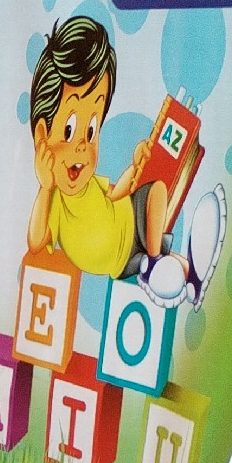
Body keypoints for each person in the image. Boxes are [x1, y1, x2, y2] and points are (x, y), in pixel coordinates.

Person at [25, 14, 169, 276]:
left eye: (91, 131)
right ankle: (157, 266)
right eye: (69, 130)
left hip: (133, 218)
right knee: (164, 267)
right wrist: (45, 189)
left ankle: (157, 260)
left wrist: (135, 167)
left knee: (157, 189)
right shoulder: (55, 199)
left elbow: (116, 194)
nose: (82, 145)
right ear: (42, 136)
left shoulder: (90, 185)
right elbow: (36, 241)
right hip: (122, 262)